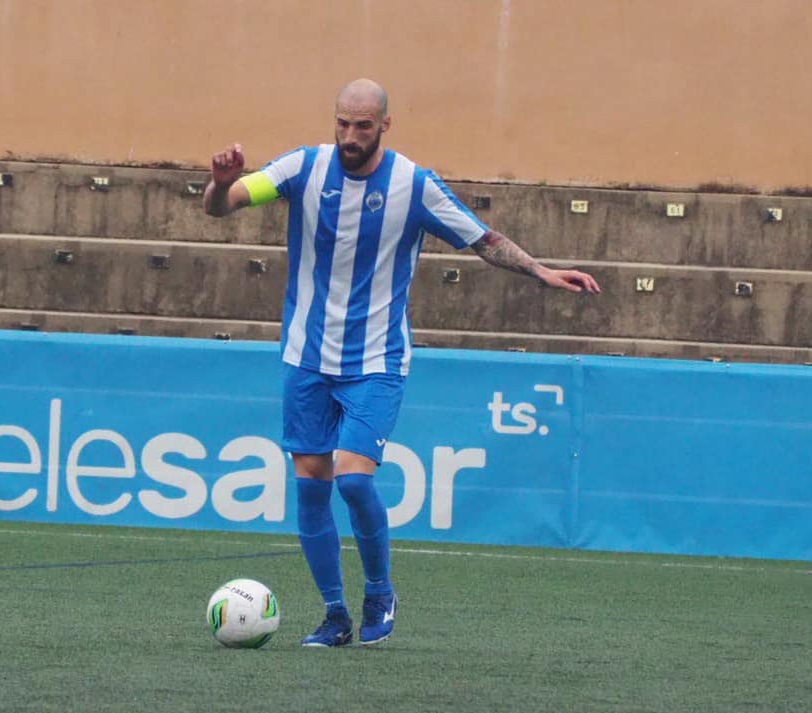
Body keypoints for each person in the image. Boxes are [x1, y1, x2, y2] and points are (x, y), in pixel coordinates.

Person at [204, 78, 600, 648]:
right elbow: (227, 205)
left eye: (362, 126)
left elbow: (482, 240)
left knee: (354, 481)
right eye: (342, 123)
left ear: (384, 125)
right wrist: (218, 188)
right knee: (312, 485)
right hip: (306, 357)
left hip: (377, 358)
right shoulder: (302, 168)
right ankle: (335, 614)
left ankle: (380, 590)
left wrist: (541, 271)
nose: (349, 135)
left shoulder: (414, 184)